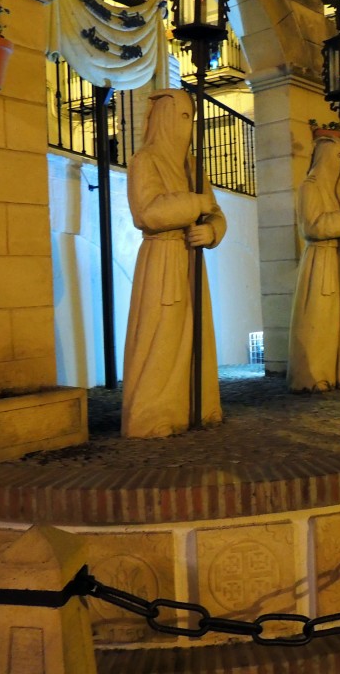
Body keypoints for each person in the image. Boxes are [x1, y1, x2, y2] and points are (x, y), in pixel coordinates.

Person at [121, 89, 226, 438]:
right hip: (162, 259)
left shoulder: (193, 167)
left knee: (196, 336)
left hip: (191, 260)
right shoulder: (145, 161)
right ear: (164, 118)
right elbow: (147, 213)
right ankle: (153, 414)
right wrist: (194, 204)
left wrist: (211, 231)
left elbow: (215, 212)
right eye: (181, 117)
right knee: (160, 338)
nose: (187, 125)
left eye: (190, 118)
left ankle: (198, 405)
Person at [287, 135, 340, 392]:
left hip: (339, 261)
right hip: (320, 262)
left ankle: (339, 372)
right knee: (318, 319)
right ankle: (313, 375)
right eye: (336, 157)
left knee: (338, 322)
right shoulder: (310, 187)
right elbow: (312, 226)